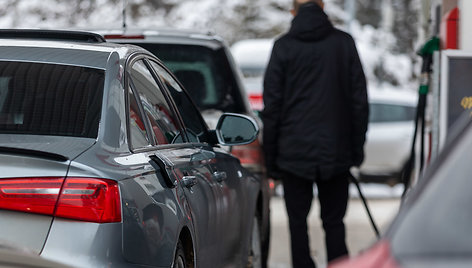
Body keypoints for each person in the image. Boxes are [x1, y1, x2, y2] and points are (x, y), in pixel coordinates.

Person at [261, 0, 369, 267]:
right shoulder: (343, 44)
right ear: (322, 7)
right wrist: (356, 149)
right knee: (334, 222)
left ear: (293, 10)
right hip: (337, 151)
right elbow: (359, 102)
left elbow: (272, 107)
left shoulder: (283, 47)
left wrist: (271, 157)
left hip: (293, 152)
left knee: (297, 223)